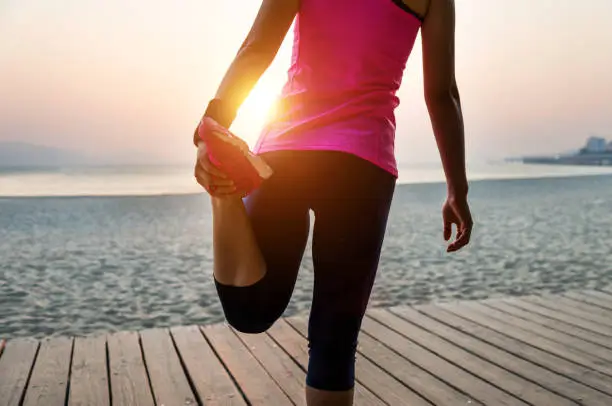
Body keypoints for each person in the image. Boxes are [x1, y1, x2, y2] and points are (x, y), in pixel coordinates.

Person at [193, 0, 473, 404]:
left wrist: (211, 125)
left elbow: (256, 48)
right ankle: (224, 187)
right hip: (363, 165)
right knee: (334, 338)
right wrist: (457, 189)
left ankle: (224, 191)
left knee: (250, 310)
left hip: (286, 152)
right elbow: (441, 93)